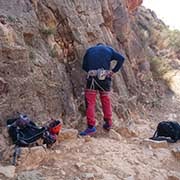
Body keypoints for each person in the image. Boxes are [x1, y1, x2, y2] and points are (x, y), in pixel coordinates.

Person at [80, 43, 125, 136]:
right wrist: (113, 71)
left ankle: (91, 127)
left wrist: (92, 70)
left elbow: (84, 66)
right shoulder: (109, 50)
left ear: (96, 46)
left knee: (90, 102)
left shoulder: (90, 50)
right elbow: (121, 59)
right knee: (105, 100)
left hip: (92, 78)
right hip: (105, 77)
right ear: (103, 45)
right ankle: (108, 123)